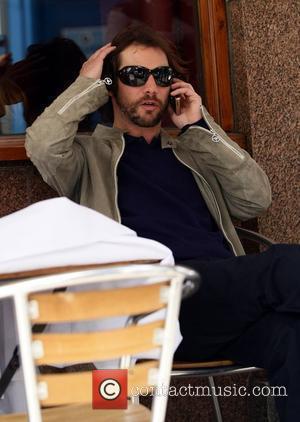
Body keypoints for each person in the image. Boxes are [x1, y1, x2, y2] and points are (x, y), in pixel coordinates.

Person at [25, 24, 299, 422]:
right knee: (285, 266)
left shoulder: (192, 149)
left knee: (294, 337)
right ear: (110, 86)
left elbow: (256, 198)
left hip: (224, 305)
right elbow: (42, 143)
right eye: (135, 76)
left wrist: (200, 125)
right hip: (153, 304)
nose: (150, 87)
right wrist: (85, 85)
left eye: (162, 76)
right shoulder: (88, 156)